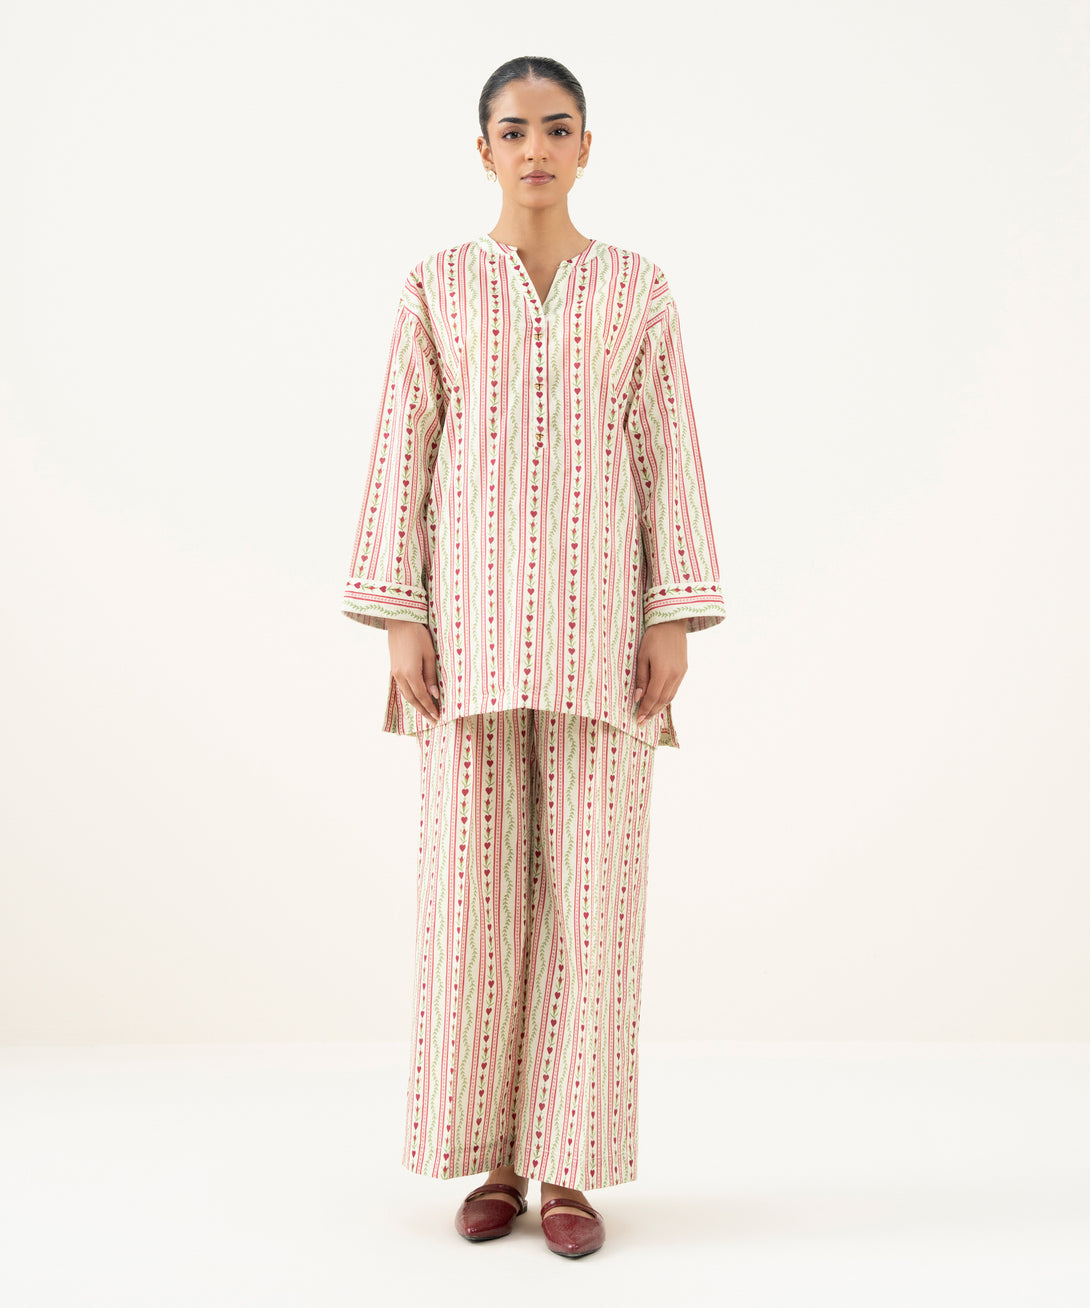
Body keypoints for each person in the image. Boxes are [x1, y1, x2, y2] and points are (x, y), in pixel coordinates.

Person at [340, 55, 725, 1258]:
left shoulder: (637, 290)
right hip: (466, 638)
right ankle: (496, 1163)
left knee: (593, 905)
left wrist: (672, 613)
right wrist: (400, 614)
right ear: (484, 150)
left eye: (557, 129)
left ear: (587, 145)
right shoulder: (437, 287)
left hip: (605, 636)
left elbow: (668, 451)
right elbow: (402, 447)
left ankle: (568, 1171)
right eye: (514, 131)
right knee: (474, 908)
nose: (537, 150)